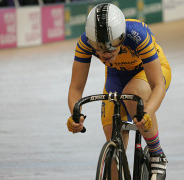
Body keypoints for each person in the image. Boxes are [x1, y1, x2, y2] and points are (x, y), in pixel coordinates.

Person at [67, 3, 171, 179]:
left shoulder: (137, 35)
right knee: (113, 143)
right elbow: (76, 87)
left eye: (111, 46)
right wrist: (75, 115)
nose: (104, 53)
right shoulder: (85, 42)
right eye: (98, 48)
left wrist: (148, 112)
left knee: (133, 94)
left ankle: (157, 155)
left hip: (149, 71)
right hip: (116, 77)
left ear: (122, 37)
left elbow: (158, 86)